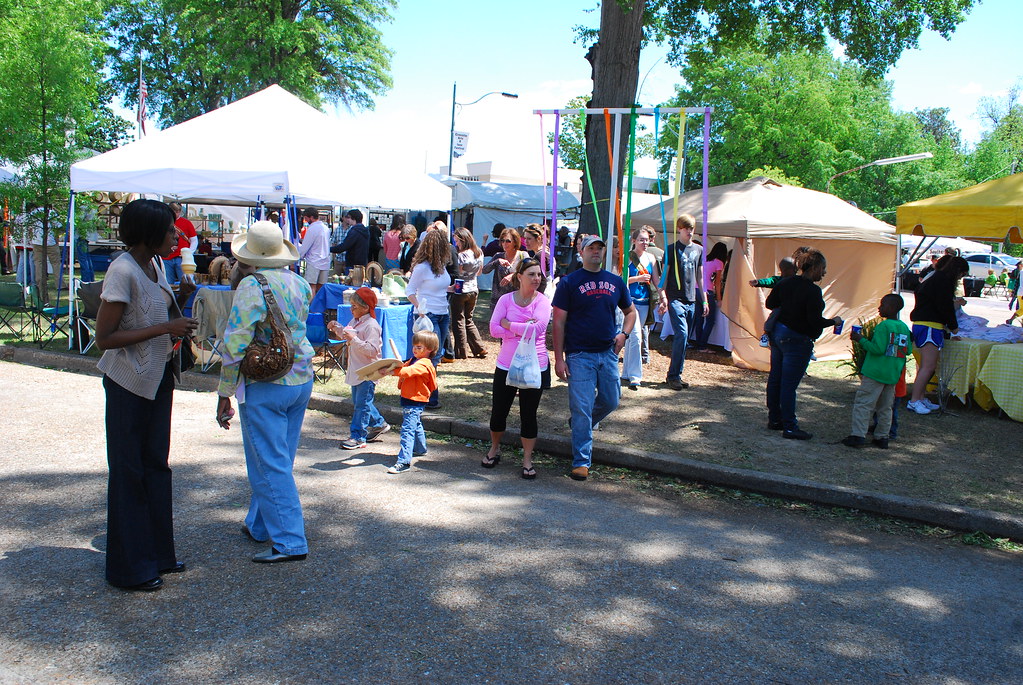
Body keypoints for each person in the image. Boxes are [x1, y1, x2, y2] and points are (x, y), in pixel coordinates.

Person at [94, 199, 198, 591]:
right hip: (128, 383)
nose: (177, 236)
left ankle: (158, 555)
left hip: (158, 378)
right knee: (129, 472)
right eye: (171, 230)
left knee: (156, 466)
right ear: (150, 232)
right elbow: (106, 338)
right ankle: (130, 570)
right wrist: (165, 328)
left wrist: (181, 300)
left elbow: (156, 316)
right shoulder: (122, 270)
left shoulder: (155, 264)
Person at [215, 220, 315, 564]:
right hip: (300, 377)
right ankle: (259, 525)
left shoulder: (251, 285)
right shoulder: (300, 282)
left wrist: (225, 391)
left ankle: (290, 541)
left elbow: (235, 344)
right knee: (278, 459)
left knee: (269, 465)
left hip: (267, 382)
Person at [552, 235, 637, 481]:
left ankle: (579, 425)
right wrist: (559, 358)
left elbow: (630, 312)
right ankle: (581, 461)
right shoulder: (569, 282)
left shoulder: (615, 281)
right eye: (591, 248)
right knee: (582, 407)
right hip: (579, 355)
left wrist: (624, 334)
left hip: (608, 353)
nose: (596, 252)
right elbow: (558, 322)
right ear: (581, 252)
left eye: (600, 248)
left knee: (611, 401)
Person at [485, 258, 552, 479]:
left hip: (535, 365)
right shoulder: (505, 300)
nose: (536, 278)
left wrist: (509, 325)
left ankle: (527, 459)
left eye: (539, 274)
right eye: (531, 274)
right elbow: (493, 329)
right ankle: (494, 449)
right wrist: (522, 329)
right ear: (519, 276)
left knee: (528, 415)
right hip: (506, 365)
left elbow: (538, 329)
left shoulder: (543, 301)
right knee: (499, 411)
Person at [763, 248, 841, 440]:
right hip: (797, 340)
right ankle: (790, 426)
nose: (824, 273)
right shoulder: (813, 291)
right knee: (788, 385)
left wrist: (787, 307)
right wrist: (834, 321)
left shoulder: (786, 282)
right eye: (822, 268)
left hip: (779, 334)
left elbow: (770, 303)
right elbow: (814, 321)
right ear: (813, 268)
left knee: (776, 379)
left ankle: (775, 419)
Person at [841, 293, 912, 449]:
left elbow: (877, 349)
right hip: (892, 374)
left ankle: (858, 435)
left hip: (875, 372)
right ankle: (882, 437)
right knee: (885, 407)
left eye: (882, 305)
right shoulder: (904, 328)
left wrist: (860, 339)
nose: (879, 308)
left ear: (892, 307)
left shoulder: (883, 326)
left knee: (864, 404)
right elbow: (907, 350)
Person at [329, 287, 390, 450]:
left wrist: (354, 339)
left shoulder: (372, 326)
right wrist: (337, 327)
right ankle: (379, 423)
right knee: (360, 402)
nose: (351, 309)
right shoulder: (355, 321)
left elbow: (372, 350)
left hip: (368, 372)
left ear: (365, 307)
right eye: (351, 306)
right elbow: (347, 334)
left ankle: (358, 437)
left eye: (354, 306)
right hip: (357, 370)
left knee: (361, 406)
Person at [906, 255, 969, 415]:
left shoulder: (933, 277)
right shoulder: (943, 281)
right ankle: (914, 400)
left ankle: (920, 397)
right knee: (928, 367)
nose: (960, 278)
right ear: (957, 271)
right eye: (962, 274)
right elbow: (945, 306)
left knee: (925, 366)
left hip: (926, 324)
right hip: (929, 326)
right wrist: (953, 327)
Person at [658, 214, 707, 391]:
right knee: (682, 334)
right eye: (686, 228)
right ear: (679, 229)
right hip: (675, 298)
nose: (689, 231)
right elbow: (665, 274)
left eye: (691, 228)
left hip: (691, 299)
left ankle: (676, 374)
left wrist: (705, 300)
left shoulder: (699, 250)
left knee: (685, 339)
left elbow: (700, 277)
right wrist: (662, 297)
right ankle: (673, 376)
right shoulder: (671, 249)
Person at [405, 229, 453, 408]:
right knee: (431, 354)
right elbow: (409, 291)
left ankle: (427, 393)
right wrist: (420, 307)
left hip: (443, 313)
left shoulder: (441, 266)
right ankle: (429, 396)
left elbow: (439, 287)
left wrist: (451, 289)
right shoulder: (422, 268)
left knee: (436, 354)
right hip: (428, 314)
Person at [386, 330, 439, 474]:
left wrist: (391, 372)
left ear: (430, 349)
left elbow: (408, 371)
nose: (415, 349)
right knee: (415, 424)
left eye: (419, 347)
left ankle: (404, 461)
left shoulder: (424, 364)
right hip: (410, 398)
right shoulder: (414, 360)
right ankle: (420, 449)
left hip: (415, 400)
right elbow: (405, 368)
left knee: (407, 430)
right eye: (414, 346)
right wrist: (395, 367)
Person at [621, 226, 660, 388]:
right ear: (634, 241)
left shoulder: (651, 258)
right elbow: (622, 280)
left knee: (632, 339)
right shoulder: (628, 257)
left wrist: (663, 297)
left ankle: (626, 372)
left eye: (647, 240)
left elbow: (656, 280)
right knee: (637, 336)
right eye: (641, 240)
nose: (644, 243)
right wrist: (638, 278)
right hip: (630, 303)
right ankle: (635, 376)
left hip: (645, 302)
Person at [450, 227, 487, 358]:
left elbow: (458, 273)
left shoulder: (461, 255)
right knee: (469, 319)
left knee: (458, 320)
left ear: (463, 240)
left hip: (461, 290)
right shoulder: (479, 252)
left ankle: (461, 351)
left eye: (457, 241)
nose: (456, 244)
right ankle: (479, 347)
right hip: (474, 289)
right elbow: (479, 272)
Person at [750, 257, 798, 346]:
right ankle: (766, 334)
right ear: (785, 270)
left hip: (794, 308)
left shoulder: (798, 280)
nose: (796, 270)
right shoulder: (779, 280)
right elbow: (769, 281)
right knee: (774, 315)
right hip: (780, 307)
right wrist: (758, 282)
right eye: (794, 268)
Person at [482, 227, 528, 309]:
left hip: (517, 300)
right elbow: (484, 270)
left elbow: (528, 272)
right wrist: (497, 262)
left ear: (515, 242)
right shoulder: (498, 256)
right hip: (498, 300)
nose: (504, 243)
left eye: (508, 241)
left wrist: (513, 275)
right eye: (502, 240)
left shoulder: (523, 255)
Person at [693, 241, 728, 350]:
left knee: (699, 319)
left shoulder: (705, 259)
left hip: (696, 289)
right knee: (710, 320)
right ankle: (702, 345)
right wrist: (719, 298)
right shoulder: (719, 263)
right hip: (707, 291)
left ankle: (698, 343)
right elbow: (717, 282)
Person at [297, 207, 330, 297]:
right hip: (325, 261)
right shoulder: (326, 228)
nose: (306, 220)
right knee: (321, 287)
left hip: (314, 261)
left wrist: (299, 256)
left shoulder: (312, 229)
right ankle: (319, 305)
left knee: (311, 286)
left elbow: (305, 246)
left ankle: (312, 305)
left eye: (306, 218)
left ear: (311, 217)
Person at [163, 202, 198, 284]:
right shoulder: (164, 222)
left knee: (186, 282)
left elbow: (194, 240)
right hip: (166, 257)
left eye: (178, 212)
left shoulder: (187, 223)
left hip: (182, 257)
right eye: (174, 211)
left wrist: (189, 253)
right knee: (168, 283)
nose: (176, 214)